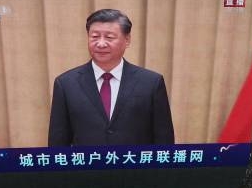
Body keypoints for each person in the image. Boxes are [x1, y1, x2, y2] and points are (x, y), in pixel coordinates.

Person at [48, 8, 175, 147]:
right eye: (95, 36)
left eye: (109, 37)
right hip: (87, 166)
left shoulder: (151, 83)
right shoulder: (66, 84)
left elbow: (164, 140)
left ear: (127, 40)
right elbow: (58, 143)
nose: (101, 44)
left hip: (135, 167)